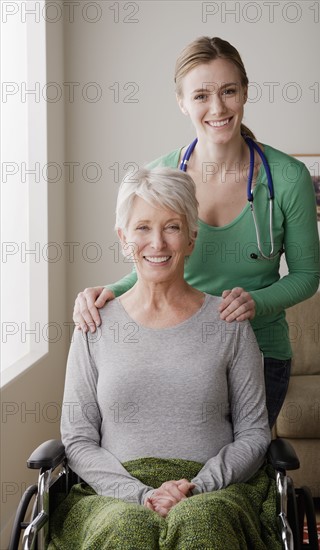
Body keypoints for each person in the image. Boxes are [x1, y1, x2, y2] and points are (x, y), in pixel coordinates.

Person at [73, 36, 320, 428]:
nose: (217, 107)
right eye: (201, 95)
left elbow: (307, 277)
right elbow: (154, 256)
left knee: (239, 468)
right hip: (182, 347)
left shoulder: (288, 177)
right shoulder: (160, 175)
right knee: (181, 463)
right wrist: (106, 292)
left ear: (244, 94)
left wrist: (255, 303)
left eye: (228, 91)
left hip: (261, 350)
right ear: (182, 102)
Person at [49, 167, 280, 550]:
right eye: (142, 228)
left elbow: (254, 433)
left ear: (191, 237)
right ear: (124, 238)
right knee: (126, 528)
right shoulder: (94, 323)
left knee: (201, 522)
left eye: (172, 227)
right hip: (112, 490)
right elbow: (77, 438)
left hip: (213, 488)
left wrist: (196, 487)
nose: (157, 242)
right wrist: (139, 495)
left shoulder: (229, 322)